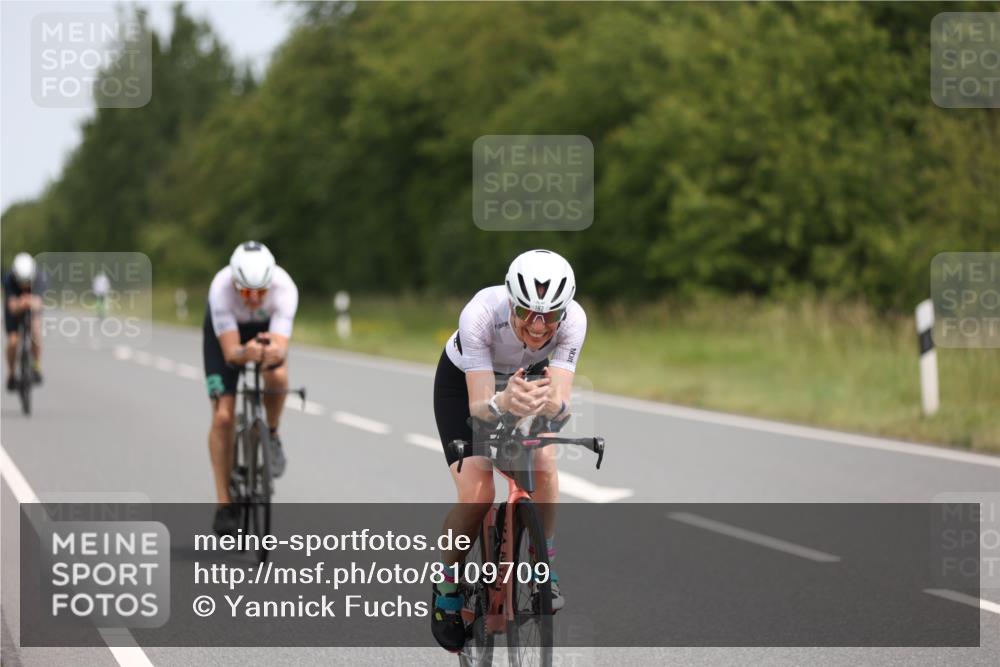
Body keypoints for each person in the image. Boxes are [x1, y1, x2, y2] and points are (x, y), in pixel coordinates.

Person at [430, 248, 586, 652]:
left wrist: (551, 405)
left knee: (546, 460)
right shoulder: (480, 314)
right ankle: (447, 586)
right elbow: (480, 409)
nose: (538, 327)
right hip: (467, 382)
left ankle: (544, 568)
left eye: (550, 316)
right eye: (526, 314)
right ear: (511, 302)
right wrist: (504, 403)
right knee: (479, 493)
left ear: (563, 312)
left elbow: (562, 406)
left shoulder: (575, 321)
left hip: (527, 380)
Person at [202, 241, 298, 536]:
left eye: (261, 292)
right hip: (227, 338)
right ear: (234, 283)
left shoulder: (285, 288)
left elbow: (280, 347)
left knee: (278, 377)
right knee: (223, 417)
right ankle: (224, 504)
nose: (254, 299)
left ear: (271, 283)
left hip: (264, 331)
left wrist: (270, 353)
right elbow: (231, 353)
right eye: (246, 292)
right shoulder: (220, 288)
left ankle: (271, 433)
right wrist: (246, 353)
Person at [3, 253, 44, 390]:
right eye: (22, 282)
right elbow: (13, 307)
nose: (24, 285)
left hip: (30, 307)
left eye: (27, 282)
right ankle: (12, 374)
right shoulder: (8, 279)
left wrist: (26, 302)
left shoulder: (40, 277)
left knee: (36, 330)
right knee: (13, 341)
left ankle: (36, 366)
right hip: (15, 310)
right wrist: (24, 303)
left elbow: (38, 304)